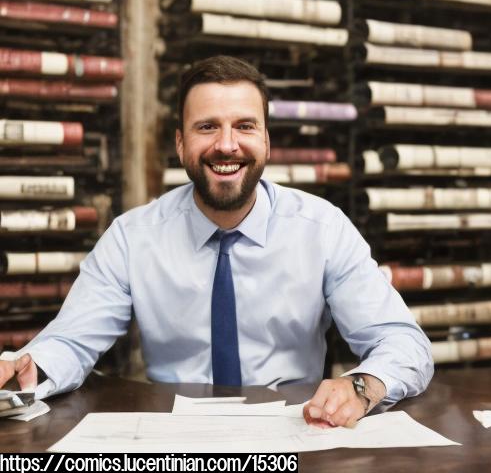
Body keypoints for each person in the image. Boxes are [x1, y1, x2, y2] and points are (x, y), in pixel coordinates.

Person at [0, 55, 433, 428]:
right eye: (207, 127)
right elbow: (72, 341)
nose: (227, 145)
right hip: (174, 438)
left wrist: (360, 386)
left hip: (298, 431)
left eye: (245, 126)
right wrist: (27, 366)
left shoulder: (323, 229)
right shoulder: (132, 238)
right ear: (180, 142)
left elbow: (403, 343)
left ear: (266, 140)